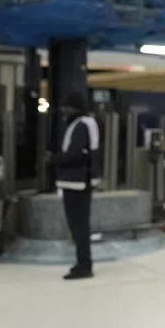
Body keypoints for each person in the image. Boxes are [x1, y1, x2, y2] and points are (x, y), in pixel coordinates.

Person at [52, 92, 101, 280]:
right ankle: (83, 262)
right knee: (79, 225)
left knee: (78, 225)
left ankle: (84, 264)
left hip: (77, 182)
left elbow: (77, 154)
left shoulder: (81, 125)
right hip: (79, 181)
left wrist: (56, 160)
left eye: (67, 107)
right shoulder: (85, 123)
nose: (65, 111)